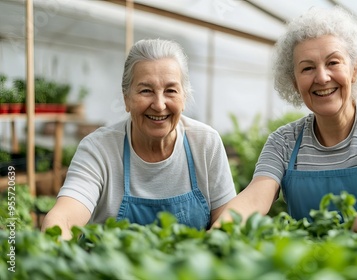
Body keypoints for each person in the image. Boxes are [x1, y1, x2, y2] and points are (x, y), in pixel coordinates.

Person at [215, 7, 357, 256]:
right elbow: (255, 198)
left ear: (354, 70)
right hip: (319, 265)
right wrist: (218, 234)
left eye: (333, 62)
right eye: (307, 68)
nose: (322, 77)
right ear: (294, 82)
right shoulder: (284, 141)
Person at [42, 39, 236, 239]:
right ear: (126, 99)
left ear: (184, 97)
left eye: (170, 91)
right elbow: (62, 219)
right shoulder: (99, 149)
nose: (159, 105)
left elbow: (227, 219)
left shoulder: (205, 143)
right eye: (146, 91)